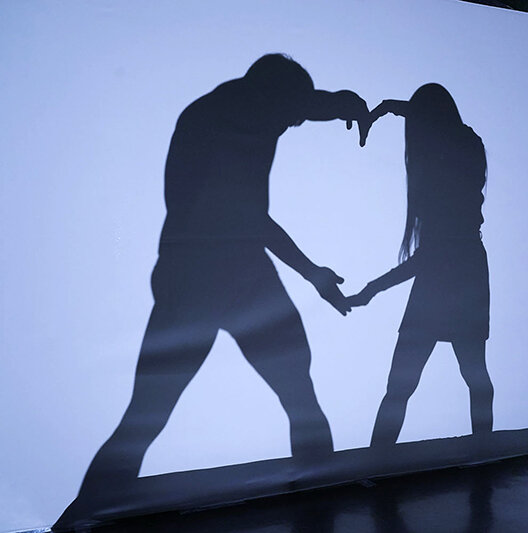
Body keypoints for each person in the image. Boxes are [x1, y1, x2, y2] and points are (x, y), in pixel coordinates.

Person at [58, 54, 371, 524]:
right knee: (150, 415)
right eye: (287, 116)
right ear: (269, 98)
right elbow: (248, 217)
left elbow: (309, 105)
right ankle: (84, 519)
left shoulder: (257, 104)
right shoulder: (219, 122)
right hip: (201, 278)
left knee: (295, 399)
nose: (289, 126)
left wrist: (346, 103)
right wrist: (312, 273)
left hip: (228, 272)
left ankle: (321, 510)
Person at [347, 84, 494, 447]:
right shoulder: (463, 151)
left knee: (418, 382)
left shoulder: (452, 161)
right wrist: (390, 108)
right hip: (459, 276)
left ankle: (379, 458)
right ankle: (483, 448)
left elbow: (428, 259)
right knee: (466, 375)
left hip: (451, 277)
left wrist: (372, 288)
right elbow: (438, 121)